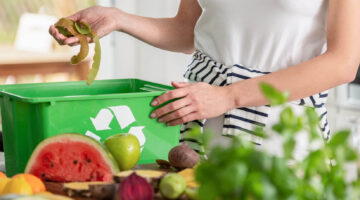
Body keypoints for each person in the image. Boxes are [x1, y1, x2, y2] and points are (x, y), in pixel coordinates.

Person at [50, 0, 360, 153]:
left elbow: (342, 62)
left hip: (282, 133)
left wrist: (229, 96)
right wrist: (117, 19)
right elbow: (188, 32)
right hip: (197, 125)